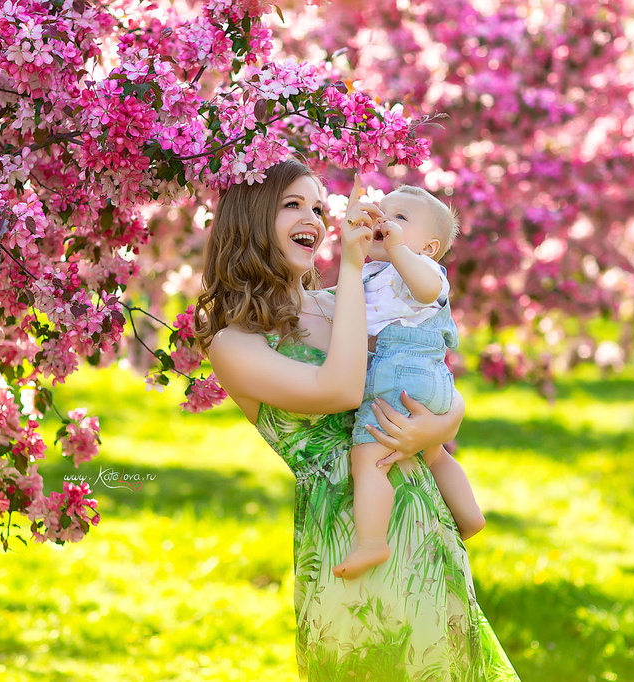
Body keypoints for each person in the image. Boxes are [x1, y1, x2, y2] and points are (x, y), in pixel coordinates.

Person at [195, 159, 520, 681]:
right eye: (293, 205)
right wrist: (349, 268)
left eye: (320, 207)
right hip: (346, 537)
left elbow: (428, 372)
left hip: (420, 517)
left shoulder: (346, 303)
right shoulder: (235, 343)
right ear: (252, 218)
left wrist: (440, 426)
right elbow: (341, 390)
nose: (316, 217)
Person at [333, 184, 486, 581]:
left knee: (367, 461)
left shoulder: (422, 268)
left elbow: (427, 289)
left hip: (402, 371)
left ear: (430, 247)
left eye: (400, 218)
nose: (385, 221)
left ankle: (371, 543)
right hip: (428, 381)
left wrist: (400, 251)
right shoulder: (373, 273)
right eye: (383, 213)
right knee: (435, 455)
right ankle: (470, 517)